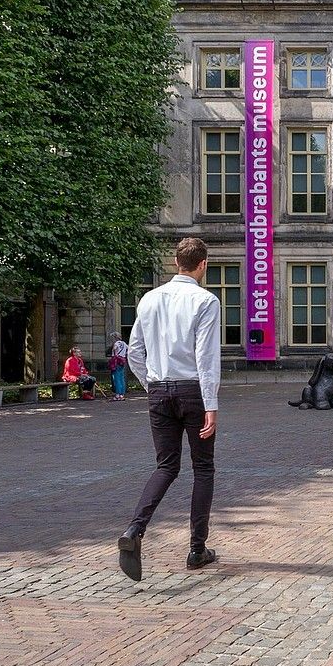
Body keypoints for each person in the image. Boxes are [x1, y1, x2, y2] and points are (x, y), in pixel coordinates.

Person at [118, 237, 221, 582]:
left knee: (165, 466)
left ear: (175, 262)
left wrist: (153, 387)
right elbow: (206, 357)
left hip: (160, 390)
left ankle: (134, 530)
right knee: (203, 468)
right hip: (193, 390)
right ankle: (196, 549)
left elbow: (134, 352)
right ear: (202, 264)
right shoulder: (205, 300)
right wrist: (211, 403)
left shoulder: (149, 299)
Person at [108, 332, 128, 401]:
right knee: (121, 378)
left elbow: (115, 348)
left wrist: (115, 352)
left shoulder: (116, 344)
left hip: (116, 362)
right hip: (122, 361)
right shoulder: (124, 343)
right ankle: (122, 394)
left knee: (116, 378)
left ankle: (117, 394)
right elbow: (128, 350)